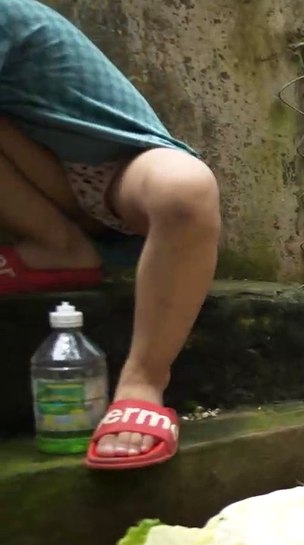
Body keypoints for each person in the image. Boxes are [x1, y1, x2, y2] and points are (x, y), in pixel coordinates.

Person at [0, 0, 220, 470]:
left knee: (185, 189)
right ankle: (57, 248)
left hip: (115, 170)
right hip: (38, 183)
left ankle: (142, 382)